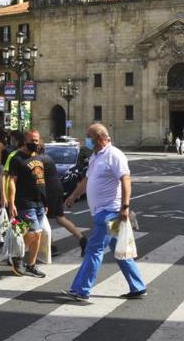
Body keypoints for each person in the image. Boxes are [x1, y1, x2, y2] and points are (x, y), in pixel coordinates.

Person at [62, 123, 146, 301]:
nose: (87, 140)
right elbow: (87, 179)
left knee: (94, 249)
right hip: (103, 211)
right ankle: (138, 286)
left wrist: (125, 207)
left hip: (110, 211)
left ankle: (81, 290)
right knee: (118, 249)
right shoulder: (96, 156)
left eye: (89, 136)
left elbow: (126, 180)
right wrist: (73, 196)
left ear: (99, 138)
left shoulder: (114, 155)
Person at [5, 130, 48, 278]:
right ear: (25, 141)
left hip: (39, 203)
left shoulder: (39, 158)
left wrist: (45, 201)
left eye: (37, 140)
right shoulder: (17, 159)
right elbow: (11, 181)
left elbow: (41, 180)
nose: (35, 143)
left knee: (38, 235)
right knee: (33, 232)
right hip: (25, 202)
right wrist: (11, 203)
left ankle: (31, 265)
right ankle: (17, 256)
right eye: (32, 140)